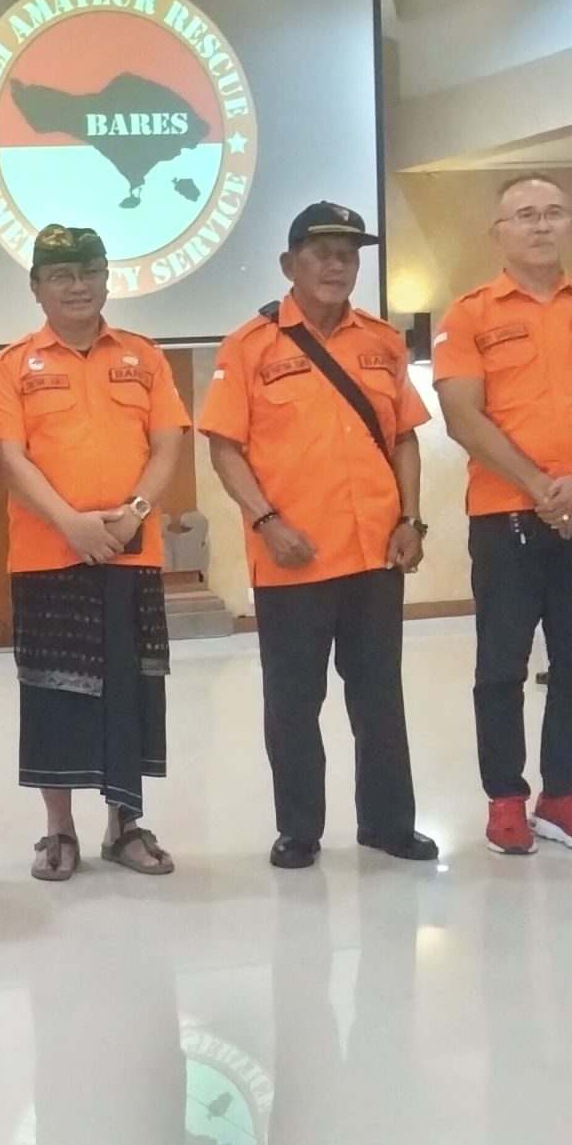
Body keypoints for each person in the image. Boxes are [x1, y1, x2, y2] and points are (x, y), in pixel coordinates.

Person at [199, 202, 435, 871]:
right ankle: (299, 829)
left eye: (349, 255)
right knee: (294, 703)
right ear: (288, 264)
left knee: (379, 696)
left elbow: (404, 437)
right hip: (293, 555)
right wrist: (267, 522)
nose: (338, 266)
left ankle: (389, 824)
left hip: (375, 552)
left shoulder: (381, 341)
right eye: (322, 253)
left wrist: (412, 519)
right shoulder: (250, 346)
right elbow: (224, 447)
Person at [433, 176, 572, 857]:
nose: (541, 225)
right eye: (524, 215)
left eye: (553, 212)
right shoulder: (469, 314)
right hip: (505, 514)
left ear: (569, 225)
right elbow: (462, 415)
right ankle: (505, 800)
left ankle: (563, 797)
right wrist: (536, 484)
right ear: (498, 232)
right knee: (501, 663)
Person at [0, 225, 189, 882]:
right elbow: (8, 457)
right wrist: (70, 523)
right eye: (61, 275)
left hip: (131, 548)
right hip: (49, 554)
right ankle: (59, 831)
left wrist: (133, 513)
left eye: (90, 272)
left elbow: (168, 443)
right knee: (55, 695)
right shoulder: (13, 364)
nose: (78, 286)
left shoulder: (143, 356)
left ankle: (125, 826)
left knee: (131, 691)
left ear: (106, 279)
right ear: (37, 287)